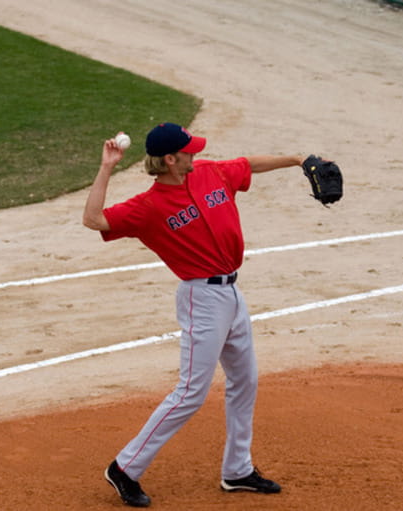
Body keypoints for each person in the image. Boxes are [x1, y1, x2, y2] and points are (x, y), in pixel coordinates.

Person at [83, 122, 306, 507]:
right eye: (188, 150)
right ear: (171, 160)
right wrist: (106, 168)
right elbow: (94, 220)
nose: (195, 153)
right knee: (190, 392)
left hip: (232, 294)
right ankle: (125, 468)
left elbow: (249, 164)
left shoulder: (209, 173)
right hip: (200, 299)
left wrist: (298, 160)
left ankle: (237, 470)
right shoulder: (148, 207)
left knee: (245, 380)